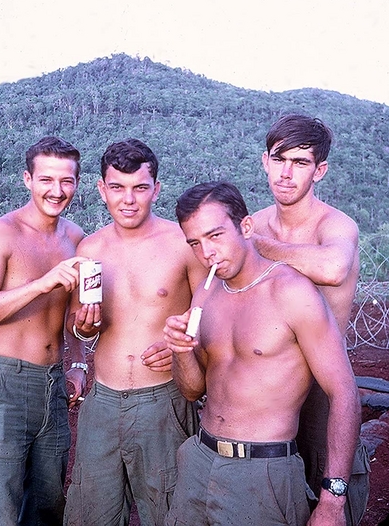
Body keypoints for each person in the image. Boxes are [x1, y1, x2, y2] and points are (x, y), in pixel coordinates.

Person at [163, 181, 362, 526]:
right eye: (195, 243)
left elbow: (344, 392)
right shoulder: (206, 296)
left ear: (246, 227)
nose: (206, 253)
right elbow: (195, 390)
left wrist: (332, 497)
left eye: (215, 236)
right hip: (200, 458)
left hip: (263, 471)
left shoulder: (291, 293)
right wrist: (181, 352)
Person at [63, 138, 207, 526]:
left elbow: (209, 312)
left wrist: (182, 347)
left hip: (163, 399)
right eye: (117, 187)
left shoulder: (182, 245)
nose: (128, 200)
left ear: (156, 189)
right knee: (92, 511)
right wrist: (82, 330)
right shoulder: (89, 248)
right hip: (102, 401)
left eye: (140, 188)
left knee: (169, 510)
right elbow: (76, 322)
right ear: (101, 189)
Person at [0, 136, 88, 526]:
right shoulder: (1, 234)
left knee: (47, 506)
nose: (57, 190)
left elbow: (70, 318)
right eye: (46, 180)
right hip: (5, 384)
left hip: (53, 388)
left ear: (77, 183)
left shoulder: (75, 238)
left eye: (66, 181)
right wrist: (41, 283)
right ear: (27, 180)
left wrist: (79, 362)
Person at [252, 114, 370, 524]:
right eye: (279, 158)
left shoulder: (334, 225)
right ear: (264, 160)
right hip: (266, 390)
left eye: (300, 162)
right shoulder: (255, 221)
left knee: (329, 508)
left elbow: (334, 266)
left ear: (319, 170)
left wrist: (259, 247)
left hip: (322, 390)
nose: (286, 172)